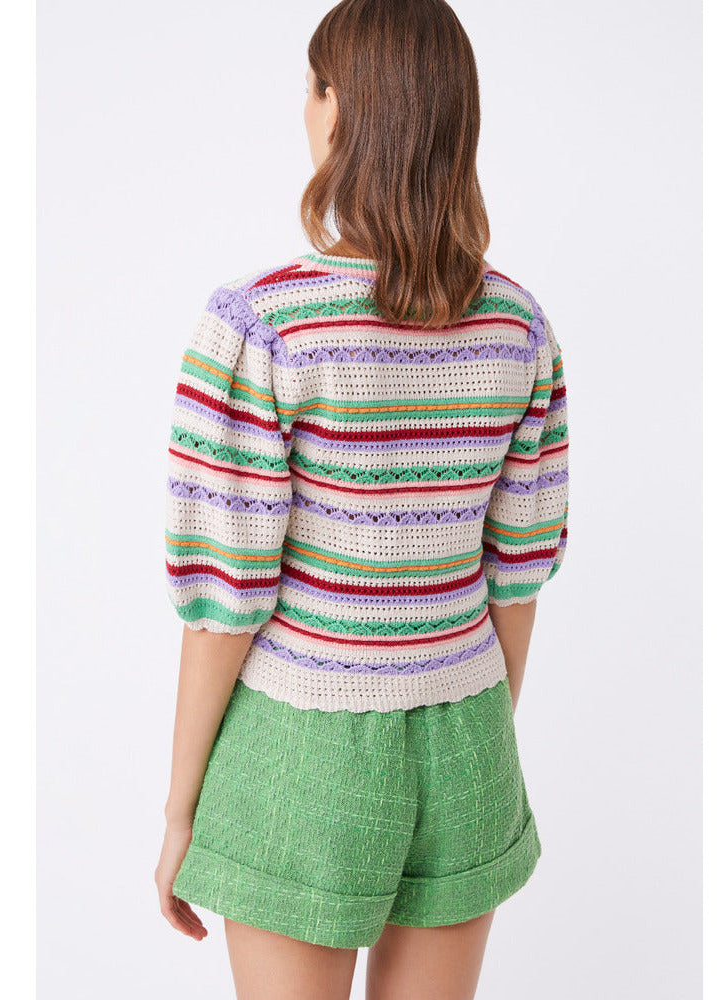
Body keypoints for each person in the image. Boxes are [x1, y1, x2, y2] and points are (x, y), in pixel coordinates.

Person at [154, 1, 570, 997]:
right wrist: (468, 727)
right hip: (468, 734)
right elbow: (517, 577)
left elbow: (224, 601)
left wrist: (179, 811)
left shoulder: (261, 324)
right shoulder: (520, 328)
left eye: (312, 87)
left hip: (306, 745)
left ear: (337, 108)